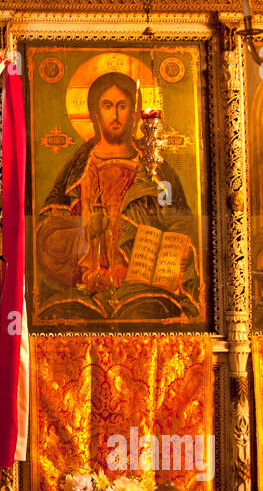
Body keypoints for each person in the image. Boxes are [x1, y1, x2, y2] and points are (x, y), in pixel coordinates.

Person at [37, 72, 198, 316]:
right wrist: (84, 232)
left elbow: (180, 222)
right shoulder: (77, 167)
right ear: (94, 111)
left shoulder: (155, 167)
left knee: (150, 311)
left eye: (122, 106)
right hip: (84, 288)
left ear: (134, 112)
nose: (114, 115)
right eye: (107, 106)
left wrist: (176, 249)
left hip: (143, 286)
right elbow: (47, 232)